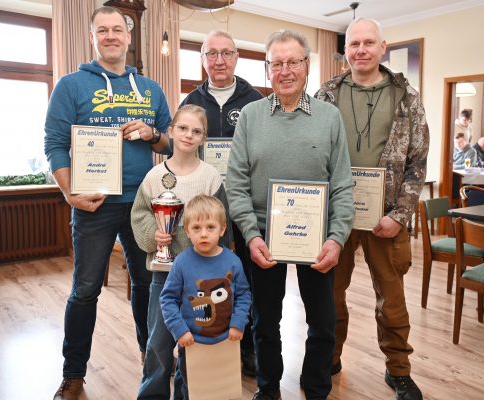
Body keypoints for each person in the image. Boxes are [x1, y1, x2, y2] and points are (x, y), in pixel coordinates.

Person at [44, 6, 172, 400]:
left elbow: (171, 143)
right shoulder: (70, 86)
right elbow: (55, 144)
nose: (111, 36)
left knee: (146, 285)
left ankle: (151, 362)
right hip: (93, 206)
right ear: (92, 37)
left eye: (118, 29)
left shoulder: (150, 89)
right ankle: (73, 374)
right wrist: (70, 194)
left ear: (129, 37)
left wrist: (152, 133)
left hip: (142, 204)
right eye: (103, 30)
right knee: (85, 291)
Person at [226, 30, 354, 400]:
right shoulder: (250, 117)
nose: (285, 71)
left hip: (317, 238)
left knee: (323, 322)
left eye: (293, 62)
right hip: (263, 237)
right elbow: (236, 183)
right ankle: (268, 388)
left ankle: (316, 387)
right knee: (265, 321)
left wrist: (337, 238)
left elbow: (342, 184)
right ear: (267, 70)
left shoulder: (329, 117)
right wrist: (250, 235)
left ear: (307, 66)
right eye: (277, 64)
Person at [315, 17, 429, 400]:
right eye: (354, 44)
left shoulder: (407, 97)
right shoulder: (325, 95)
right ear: (345, 50)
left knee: (392, 301)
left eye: (368, 42)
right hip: (336, 216)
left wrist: (400, 216)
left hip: (386, 217)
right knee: (330, 296)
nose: (361, 50)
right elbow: (311, 152)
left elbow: (417, 163)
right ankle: (329, 359)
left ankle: (399, 371)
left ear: (383, 47)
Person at [131, 105, 232, 400]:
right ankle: (152, 395)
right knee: (158, 342)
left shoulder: (211, 177)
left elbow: (222, 223)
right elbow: (139, 214)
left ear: (203, 138)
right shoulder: (154, 177)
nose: (189, 135)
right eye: (183, 128)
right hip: (164, 277)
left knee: (195, 344)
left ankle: (189, 395)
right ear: (171, 131)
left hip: (201, 280)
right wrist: (154, 234)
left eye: (196, 131)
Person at [180, 29, 263, 376]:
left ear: (236, 57)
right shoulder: (191, 101)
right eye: (211, 54)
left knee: (247, 280)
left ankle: (248, 347)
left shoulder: (255, 100)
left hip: (246, 207)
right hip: (205, 210)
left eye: (226, 53)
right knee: (208, 280)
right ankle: (206, 342)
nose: (219, 60)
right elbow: (181, 150)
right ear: (202, 59)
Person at [159, 194, 251, 399]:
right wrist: (180, 331)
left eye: (210, 227)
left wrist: (238, 323)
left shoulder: (233, 261)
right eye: (196, 228)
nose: (203, 234)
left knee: (221, 391)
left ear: (222, 229)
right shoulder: (182, 263)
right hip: (192, 343)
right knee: (191, 391)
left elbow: (244, 295)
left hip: (226, 341)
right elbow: (167, 299)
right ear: (187, 231)